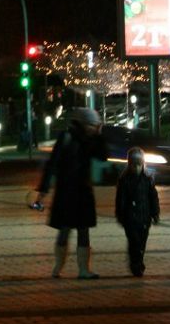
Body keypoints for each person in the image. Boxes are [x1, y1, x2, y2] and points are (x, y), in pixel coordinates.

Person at [35, 107, 109, 279]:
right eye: (92, 125)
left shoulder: (89, 139)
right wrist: (43, 190)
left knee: (82, 231)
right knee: (65, 230)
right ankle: (58, 267)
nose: (93, 128)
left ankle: (83, 269)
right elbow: (52, 165)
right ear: (83, 123)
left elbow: (103, 156)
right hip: (68, 192)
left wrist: (99, 135)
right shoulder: (67, 138)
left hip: (80, 192)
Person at [114, 148, 160, 277]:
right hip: (130, 219)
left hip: (144, 218)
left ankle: (138, 262)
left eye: (139, 164)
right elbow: (120, 199)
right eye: (134, 164)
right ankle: (136, 265)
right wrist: (120, 214)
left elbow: (153, 197)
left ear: (143, 164)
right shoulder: (125, 180)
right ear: (129, 164)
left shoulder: (148, 179)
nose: (137, 167)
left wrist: (155, 213)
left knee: (142, 243)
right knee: (134, 242)